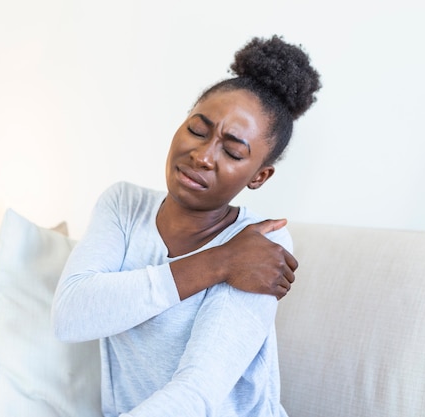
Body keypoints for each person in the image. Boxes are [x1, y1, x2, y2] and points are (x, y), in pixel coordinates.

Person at [52, 35, 321, 416]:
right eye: (197, 129)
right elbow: (71, 316)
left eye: (232, 151)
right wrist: (220, 263)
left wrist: (232, 256)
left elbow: (197, 394)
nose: (202, 156)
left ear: (259, 176)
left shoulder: (262, 243)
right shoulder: (124, 205)